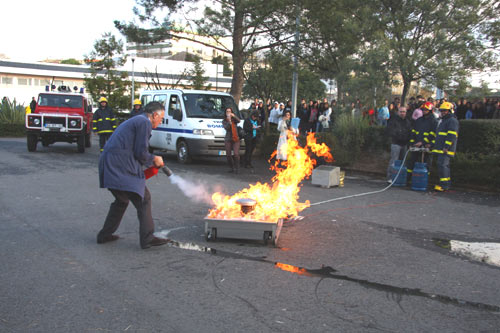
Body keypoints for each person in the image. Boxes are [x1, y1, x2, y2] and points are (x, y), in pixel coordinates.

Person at [97, 101, 168, 249]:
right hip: (119, 166)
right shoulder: (144, 122)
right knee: (144, 198)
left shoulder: (138, 120)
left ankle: (105, 234)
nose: (160, 121)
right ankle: (147, 238)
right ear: (154, 115)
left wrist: (150, 160)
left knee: (122, 200)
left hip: (111, 163)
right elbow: (140, 152)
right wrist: (154, 159)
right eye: (161, 118)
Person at [432, 102, 459, 192]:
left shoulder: (452, 121)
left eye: (445, 111)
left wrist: (446, 147)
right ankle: (445, 184)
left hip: (446, 150)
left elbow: (451, 135)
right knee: (442, 166)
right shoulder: (445, 120)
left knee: (443, 166)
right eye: (442, 110)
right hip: (442, 149)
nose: (443, 112)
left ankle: (444, 185)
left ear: (450, 111)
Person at [407, 101, 437, 181]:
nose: (424, 111)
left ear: (430, 111)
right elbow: (413, 132)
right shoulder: (419, 120)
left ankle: (424, 180)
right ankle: (408, 179)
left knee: (426, 164)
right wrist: (412, 143)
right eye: (423, 109)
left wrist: (423, 142)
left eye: (426, 110)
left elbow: (432, 134)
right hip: (416, 145)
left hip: (426, 146)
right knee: (411, 161)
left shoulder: (434, 121)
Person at [386, 106, 412, 183]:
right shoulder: (393, 121)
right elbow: (390, 131)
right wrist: (398, 137)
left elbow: (410, 132)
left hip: (404, 144)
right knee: (394, 160)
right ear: (398, 112)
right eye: (401, 111)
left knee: (403, 162)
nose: (402, 113)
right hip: (396, 143)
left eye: (404, 112)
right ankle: (390, 177)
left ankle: (400, 177)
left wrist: (408, 141)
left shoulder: (407, 122)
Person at [222, 107, 241, 174]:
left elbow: (239, 121)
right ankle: (231, 167)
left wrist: (234, 116)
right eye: (227, 111)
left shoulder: (234, 119)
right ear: (225, 113)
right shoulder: (224, 120)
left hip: (236, 138)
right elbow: (226, 128)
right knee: (228, 155)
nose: (228, 113)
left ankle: (237, 168)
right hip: (228, 139)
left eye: (229, 111)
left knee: (236, 154)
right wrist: (229, 122)